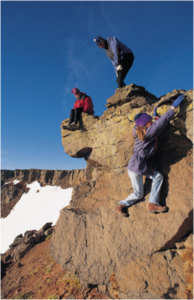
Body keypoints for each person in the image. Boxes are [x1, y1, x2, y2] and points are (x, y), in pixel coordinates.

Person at [115, 94, 185, 217]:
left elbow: (154, 126)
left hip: (140, 165)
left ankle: (153, 204)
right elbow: (158, 125)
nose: (152, 122)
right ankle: (121, 206)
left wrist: (154, 118)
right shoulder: (147, 134)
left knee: (158, 177)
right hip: (137, 167)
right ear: (146, 124)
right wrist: (173, 108)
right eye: (150, 121)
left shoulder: (141, 130)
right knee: (138, 194)